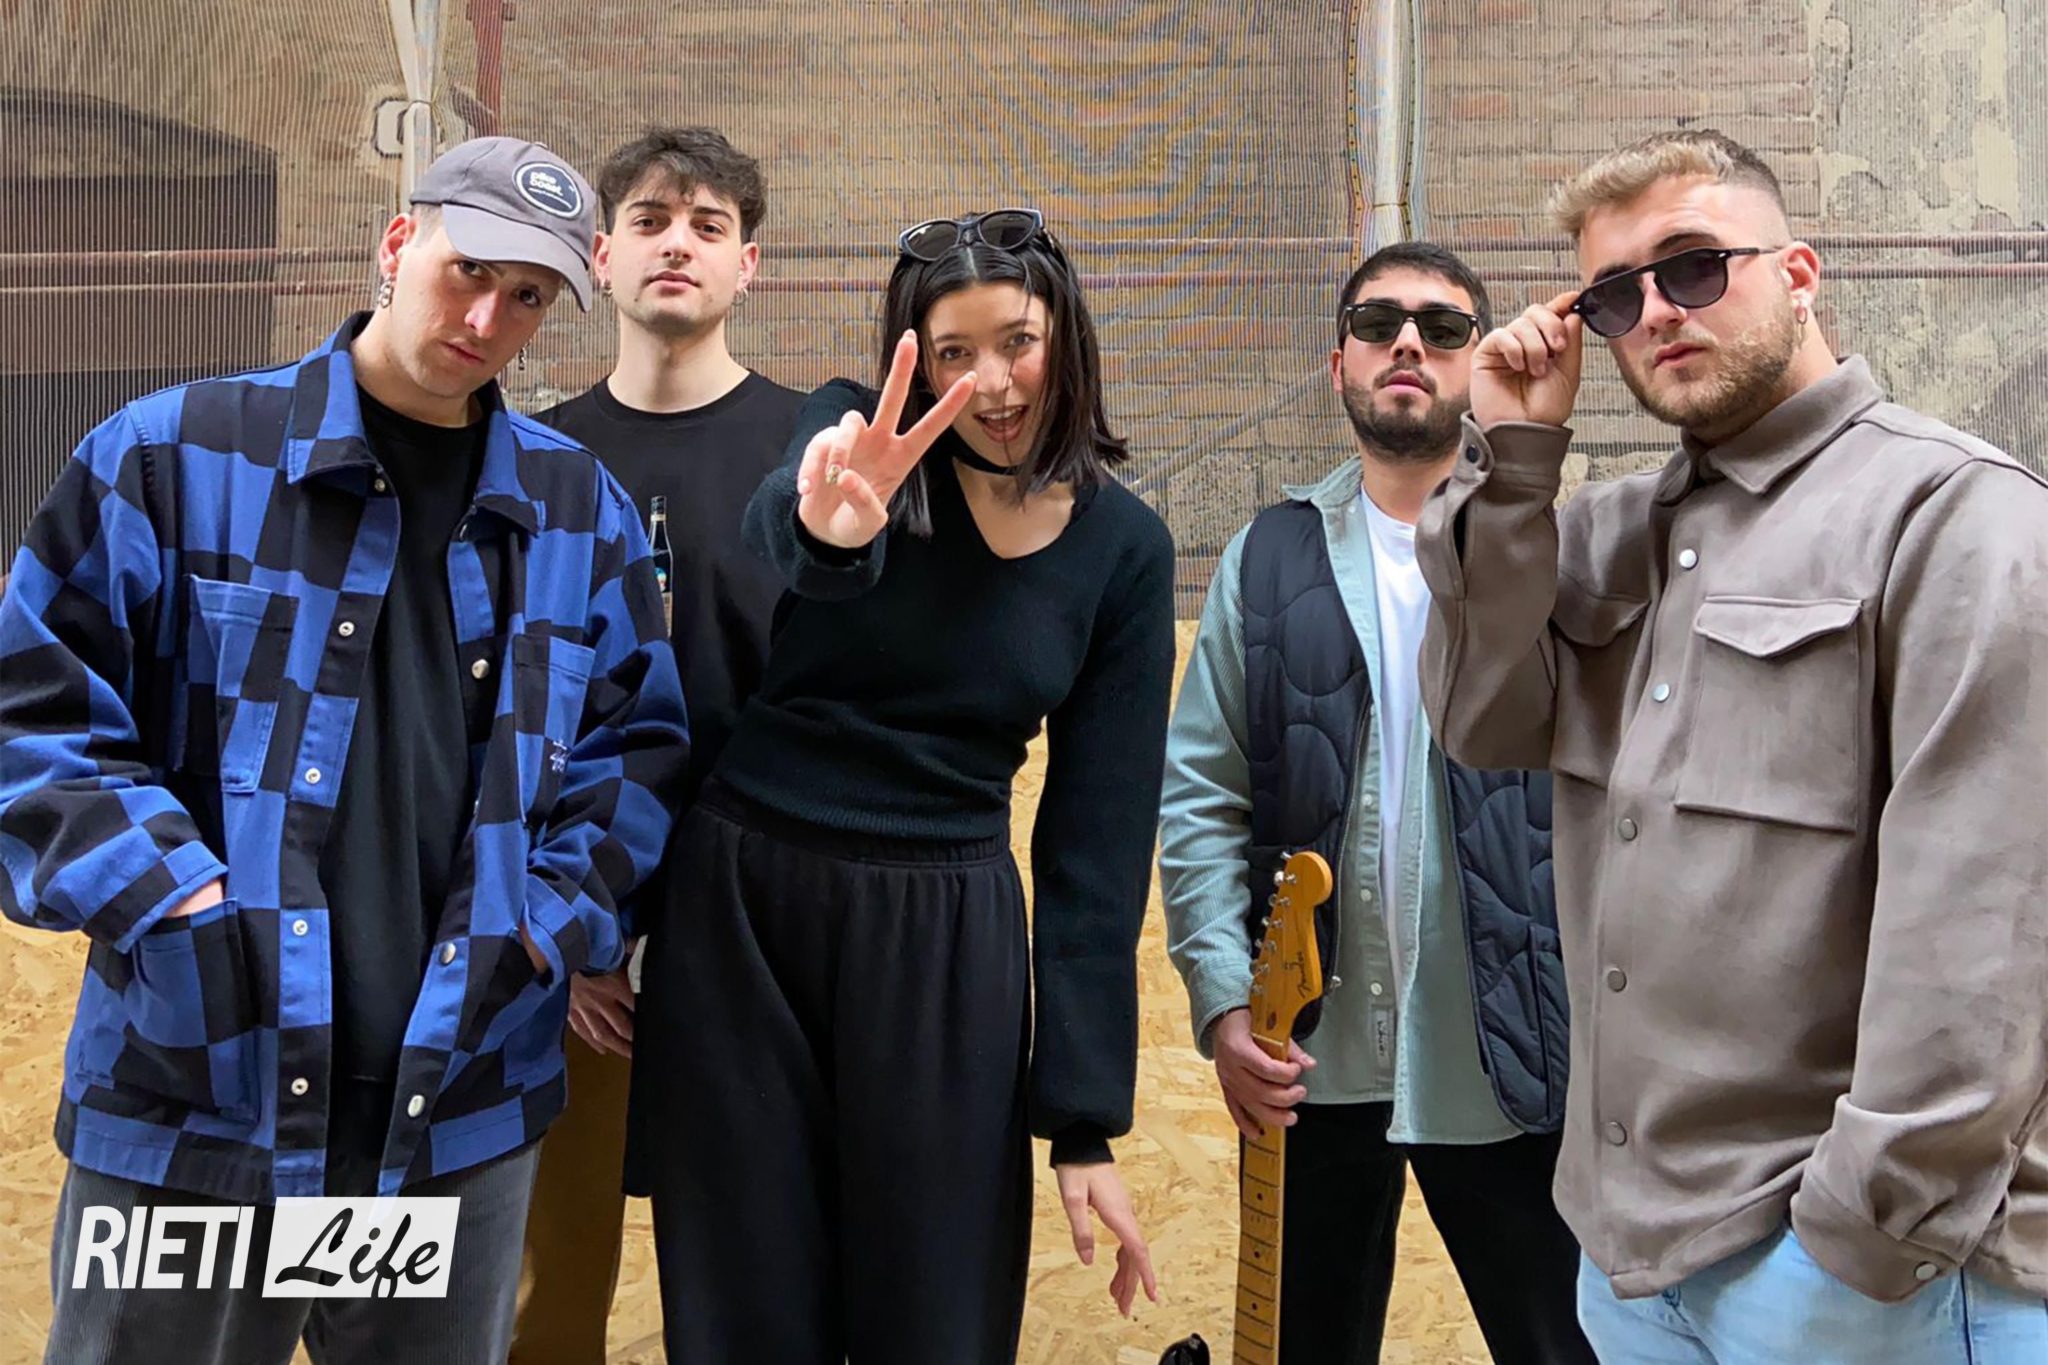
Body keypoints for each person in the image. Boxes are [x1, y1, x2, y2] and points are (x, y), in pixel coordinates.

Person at [0, 135, 689, 1365]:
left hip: (452, 1120)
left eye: (528, 296)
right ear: (396, 242)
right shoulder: (171, 457)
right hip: (199, 1105)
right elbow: (30, 719)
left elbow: (634, 750)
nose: (486, 318)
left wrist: (542, 926)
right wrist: (180, 907)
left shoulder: (575, 511)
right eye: (467, 270)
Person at [1417, 127, 2048, 1362]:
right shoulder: (1604, 537)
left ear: (1797, 273)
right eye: (1611, 297)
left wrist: (1853, 1243)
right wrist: (1512, 464)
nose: (1654, 311)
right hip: (1629, 1264)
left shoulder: (1955, 517)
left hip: (1861, 1282)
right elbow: (1483, 721)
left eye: (1693, 266)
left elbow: (1987, 930)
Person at [632, 208, 1174, 1364]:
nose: (992, 384)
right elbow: (793, 526)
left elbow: (1095, 842)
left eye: (1016, 343)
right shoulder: (853, 431)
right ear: (912, 364)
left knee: (935, 1310)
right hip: (747, 904)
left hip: (943, 932)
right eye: (953, 354)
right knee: (743, 1303)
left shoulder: (1124, 550)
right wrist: (831, 527)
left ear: (1066, 339)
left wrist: (1082, 1121)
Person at [1159, 241, 1594, 1364]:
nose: (1407, 343)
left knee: (1562, 1343)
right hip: (1309, 1052)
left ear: (1476, 364)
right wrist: (1223, 1000)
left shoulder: (1552, 549)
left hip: (1511, 1045)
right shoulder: (1266, 557)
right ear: (1338, 362)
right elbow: (1201, 794)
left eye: (1442, 328)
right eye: (1377, 323)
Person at [510, 124, 804, 1365]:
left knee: (750, 1284)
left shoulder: (814, 452)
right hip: (565, 950)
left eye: (708, 225)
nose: (676, 244)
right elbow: (503, 721)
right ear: (599, 255)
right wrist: (579, 931)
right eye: (647, 220)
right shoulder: (528, 459)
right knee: (546, 1291)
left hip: (763, 941)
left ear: (748, 265)